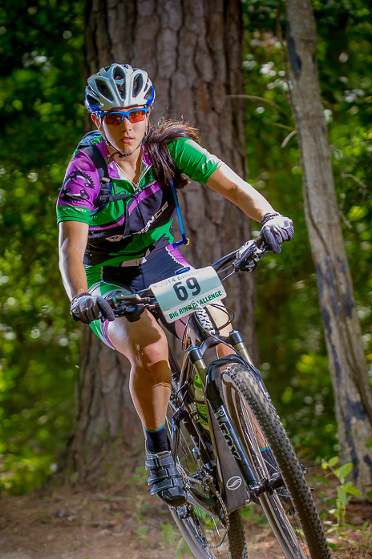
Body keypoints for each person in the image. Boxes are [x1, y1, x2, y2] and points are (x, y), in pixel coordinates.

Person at [57, 63, 293, 508]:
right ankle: (160, 451)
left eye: (134, 114)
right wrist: (81, 298)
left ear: (147, 112)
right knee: (151, 349)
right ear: (96, 120)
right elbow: (70, 247)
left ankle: (264, 449)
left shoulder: (170, 148)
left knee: (220, 335)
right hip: (108, 280)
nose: (126, 127)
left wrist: (269, 216)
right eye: (112, 117)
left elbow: (235, 186)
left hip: (162, 262)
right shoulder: (83, 173)